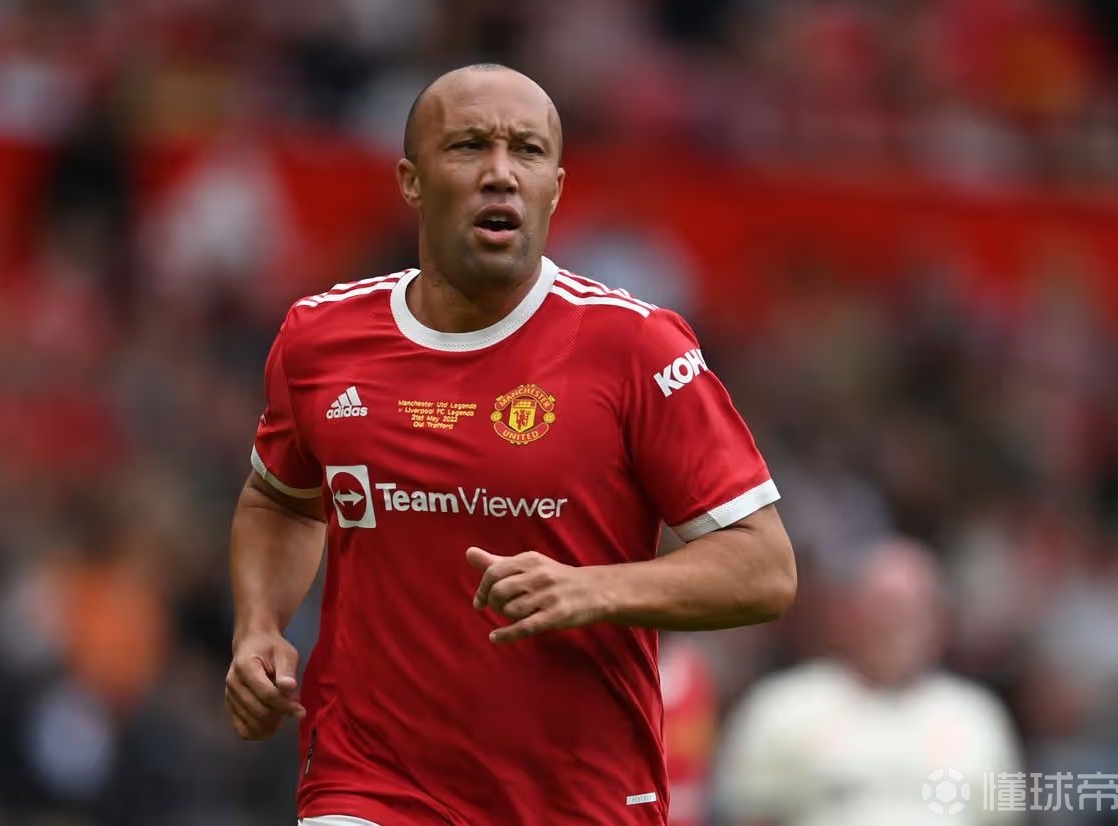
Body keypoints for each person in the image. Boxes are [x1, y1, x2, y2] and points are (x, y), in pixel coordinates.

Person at [224, 63, 797, 826]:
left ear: (554, 188)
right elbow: (281, 500)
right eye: (469, 146)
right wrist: (259, 627)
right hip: (370, 782)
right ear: (411, 181)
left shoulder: (634, 347)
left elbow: (765, 568)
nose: (501, 173)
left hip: (579, 796)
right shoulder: (320, 339)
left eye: (526, 151)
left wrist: (595, 589)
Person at [714, 537, 1022, 826]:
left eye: (913, 611)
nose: (896, 626)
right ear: (848, 614)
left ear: (939, 622)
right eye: (884, 608)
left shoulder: (978, 718)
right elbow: (749, 815)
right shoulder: (782, 707)